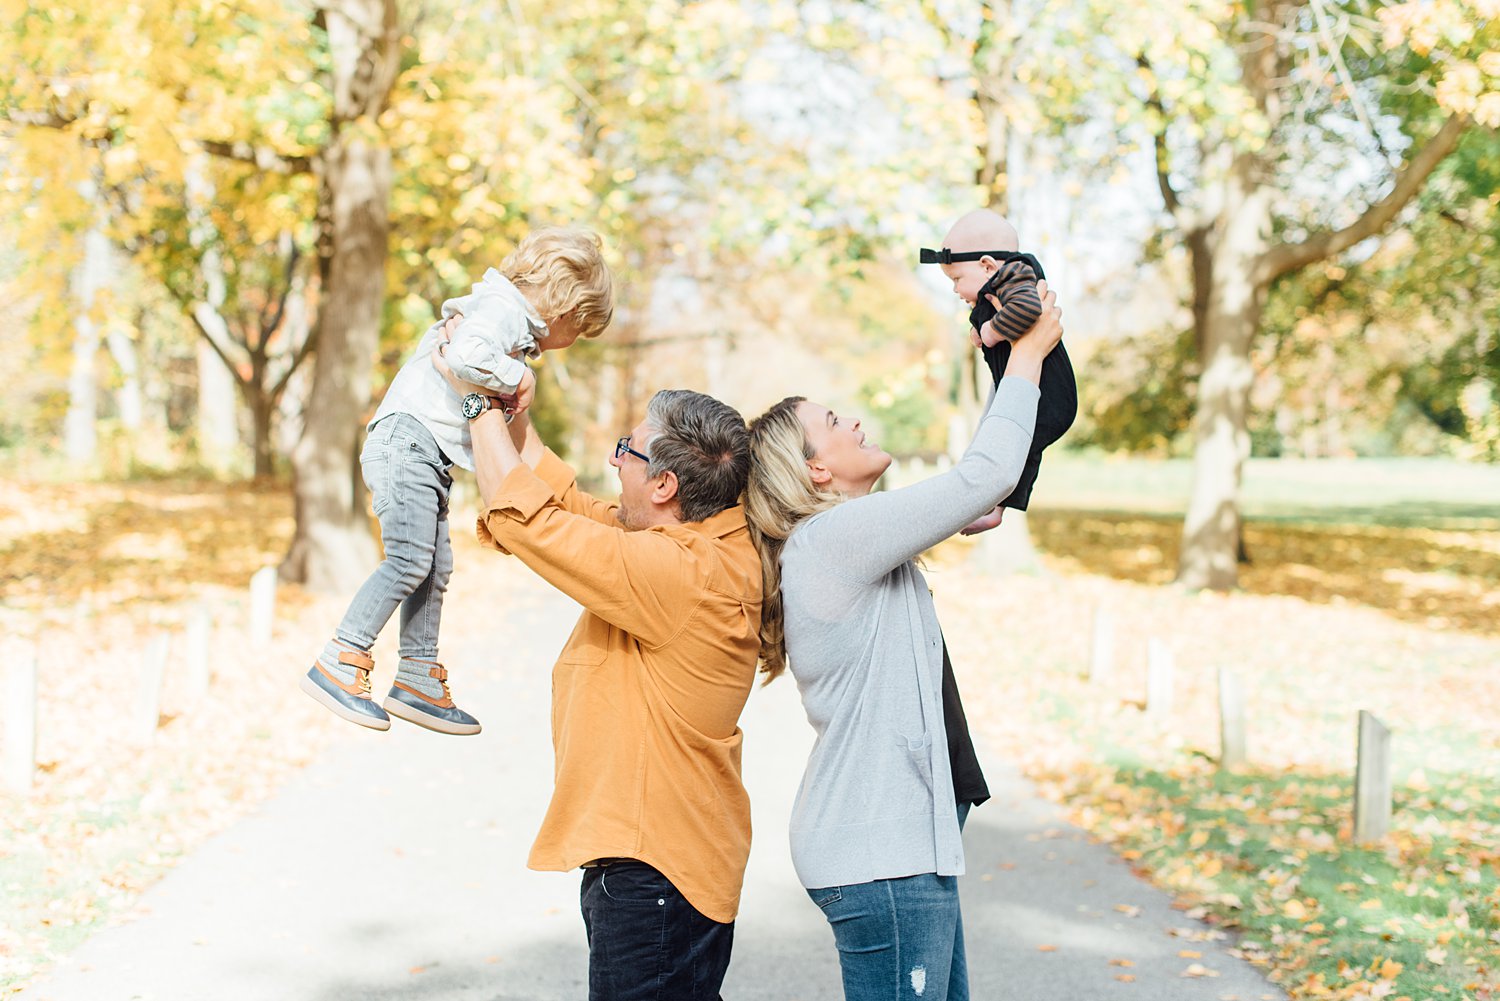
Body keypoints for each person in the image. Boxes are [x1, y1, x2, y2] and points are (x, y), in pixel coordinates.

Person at [743, 283, 1063, 1000]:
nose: (853, 420)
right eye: (833, 421)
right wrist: (1030, 354)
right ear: (815, 468)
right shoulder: (832, 539)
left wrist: (951, 514)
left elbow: (969, 490)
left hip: (896, 852)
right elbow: (987, 472)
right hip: (880, 858)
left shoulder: (840, 542)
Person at [435, 323, 762, 999]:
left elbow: (532, 524)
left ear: (666, 484)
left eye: (627, 451)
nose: (615, 462)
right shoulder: (689, 546)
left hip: (657, 873)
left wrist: (473, 404)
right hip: (666, 863)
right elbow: (561, 505)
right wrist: (510, 414)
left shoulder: (677, 572)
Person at [301, 226, 613, 735]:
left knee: (435, 564)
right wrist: (519, 378)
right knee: (408, 558)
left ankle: (418, 674)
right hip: (407, 442)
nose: (572, 343)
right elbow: (464, 356)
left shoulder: (508, 317)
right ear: (563, 307)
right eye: (578, 330)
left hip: (426, 453)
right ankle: (342, 656)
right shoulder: (502, 311)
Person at [922, 209, 1077, 533]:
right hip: (1019, 388)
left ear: (987, 266)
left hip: (1048, 397)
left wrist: (990, 331)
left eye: (956, 280)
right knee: (998, 442)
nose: (954, 290)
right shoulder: (1000, 283)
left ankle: (994, 505)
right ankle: (989, 504)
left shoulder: (1016, 275)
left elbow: (1028, 309)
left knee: (1013, 448)